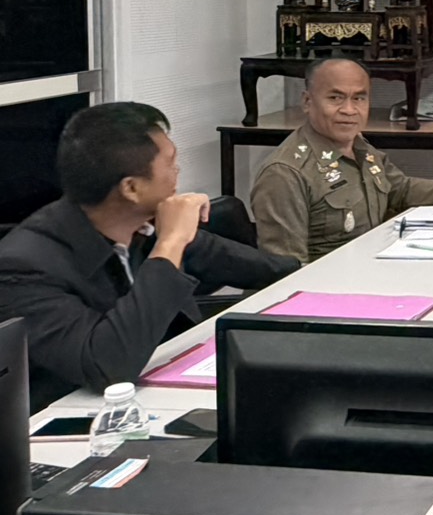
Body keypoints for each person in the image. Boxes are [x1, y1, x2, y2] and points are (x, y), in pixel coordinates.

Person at [0, 103, 299, 410]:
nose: (177, 173)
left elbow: (261, 269)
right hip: (76, 420)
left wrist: (307, 274)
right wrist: (171, 243)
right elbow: (106, 366)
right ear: (130, 188)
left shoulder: (141, 224)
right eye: (170, 164)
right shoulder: (23, 266)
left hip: (165, 388)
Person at [251, 58, 433, 263]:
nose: (349, 110)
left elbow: (401, 190)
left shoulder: (359, 146)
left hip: (374, 268)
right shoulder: (285, 173)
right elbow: (285, 271)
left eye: (359, 98)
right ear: (308, 102)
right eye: (335, 98)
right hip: (331, 296)